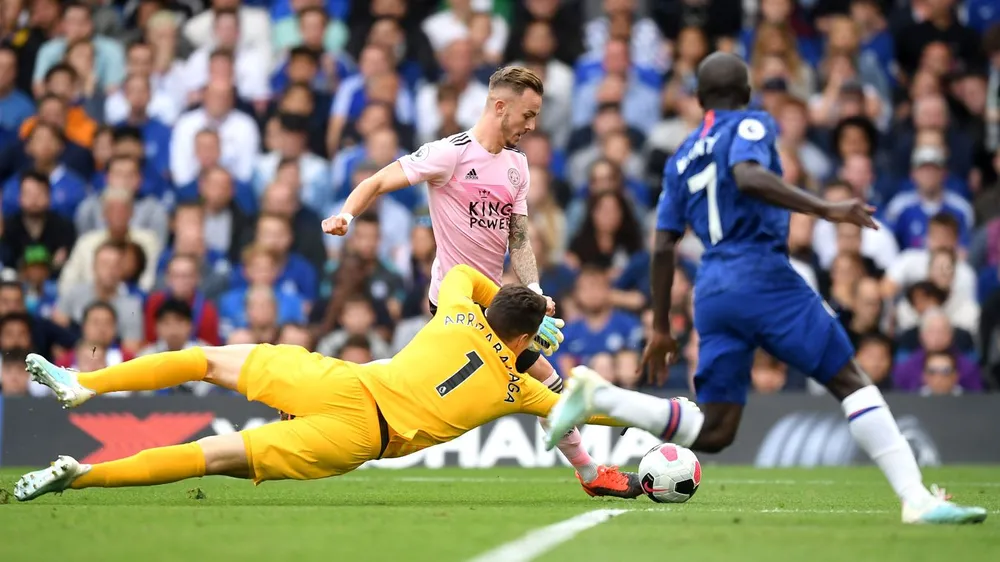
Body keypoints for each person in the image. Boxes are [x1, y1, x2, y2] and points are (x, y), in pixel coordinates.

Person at [544, 53, 986, 525]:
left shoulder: (681, 158)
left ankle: (602, 396)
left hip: (712, 288)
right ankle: (915, 498)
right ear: (747, 94)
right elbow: (748, 176)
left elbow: (662, 245)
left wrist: (659, 328)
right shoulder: (750, 124)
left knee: (715, 431)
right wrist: (827, 209)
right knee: (850, 381)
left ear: (698, 98)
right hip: (761, 272)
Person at [13, 265, 625, 501]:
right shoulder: (517, 388)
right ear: (527, 341)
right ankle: (82, 475)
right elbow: (585, 407)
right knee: (209, 457)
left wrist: (529, 308)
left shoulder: (462, 310)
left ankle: (84, 383)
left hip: (341, 382)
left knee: (205, 361)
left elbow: (466, 272)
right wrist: (662, 414)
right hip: (359, 436)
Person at [321, 65, 639, 498]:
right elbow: (378, 180)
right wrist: (346, 215)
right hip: (453, 304)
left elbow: (519, 236)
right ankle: (595, 469)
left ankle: (591, 472)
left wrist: (536, 293)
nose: (532, 126)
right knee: (537, 383)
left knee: (412, 379)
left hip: (493, 306)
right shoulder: (449, 154)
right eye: (527, 116)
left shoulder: (518, 167)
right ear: (500, 106)